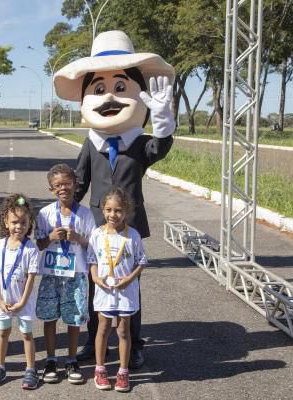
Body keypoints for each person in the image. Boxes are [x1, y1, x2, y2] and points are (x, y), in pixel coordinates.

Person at [53, 30, 175, 368]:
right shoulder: (91, 144)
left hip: (129, 230)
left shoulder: (140, 142)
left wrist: (164, 122)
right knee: (96, 289)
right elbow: (78, 183)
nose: (109, 97)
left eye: (120, 87)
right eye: (100, 89)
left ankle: (134, 344)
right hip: (96, 229)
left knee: (129, 290)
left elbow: (159, 148)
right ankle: (96, 344)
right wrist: (62, 213)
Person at [35, 163, 95, 384]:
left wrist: (78, 238)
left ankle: (71, 359)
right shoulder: (44, 214)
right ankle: (51, 359)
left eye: (67, 184)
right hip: (51, 274)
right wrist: (50, 237)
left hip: (76, 275)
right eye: (57, 185)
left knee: (74, 318)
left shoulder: (86, 215)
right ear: (51, 189)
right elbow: (38, 245)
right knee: (50, 317)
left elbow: (93, 246)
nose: (63, 188)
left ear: (75, 185)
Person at [87, 187, 147, 392]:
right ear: (103, 210)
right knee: (102, 328)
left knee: (123, 330)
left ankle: (123, 371)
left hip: (126, 291)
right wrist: (95, 278)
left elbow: (141, 261)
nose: (113, 215)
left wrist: (129, 279)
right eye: (109, 210)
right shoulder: (97, 234)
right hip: (104, 289)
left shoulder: (133, 236)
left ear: (126, 211)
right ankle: (100, 369)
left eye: (118, 210)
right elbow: (92, 259)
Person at [0, 194, 39, 390]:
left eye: (23, 222)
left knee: (26, 335)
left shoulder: (31, 249)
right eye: (15, 222)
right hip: (5, 301)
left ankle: (31, 369)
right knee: (3, 333)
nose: (19, 226)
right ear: (6, 223)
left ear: (29, 223)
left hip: (22, 302)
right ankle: (0, 367)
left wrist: (23, 302)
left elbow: (31, 279)